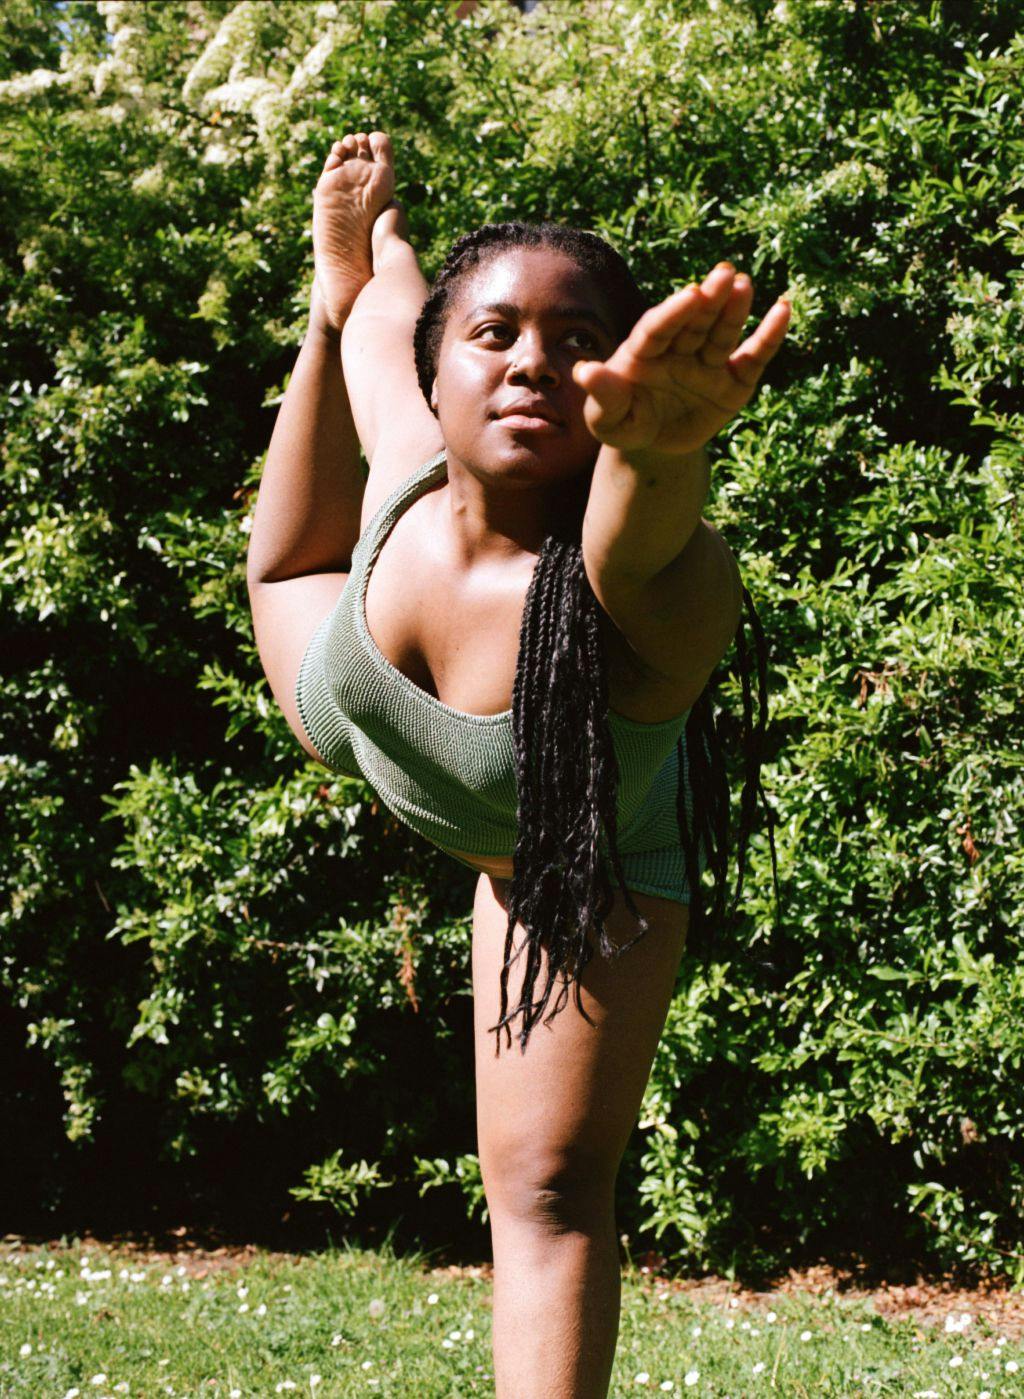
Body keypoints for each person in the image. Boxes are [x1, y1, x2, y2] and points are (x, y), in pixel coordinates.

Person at [247, 131, 789, 1398]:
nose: (532, 358)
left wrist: (662, 454)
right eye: (492, 334)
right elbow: (402, 338)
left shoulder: (638, 584)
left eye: (574, 336)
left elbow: (639, 532)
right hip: (344, 671)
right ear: (448, 377)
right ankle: (342, 289)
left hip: (561, 862)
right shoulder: (413, 442)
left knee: (545, 1185)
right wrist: (371, 276)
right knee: (363, 331)